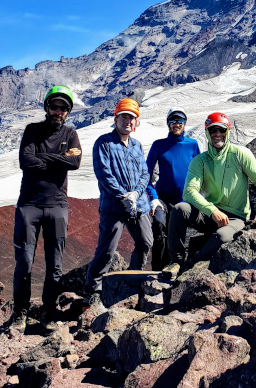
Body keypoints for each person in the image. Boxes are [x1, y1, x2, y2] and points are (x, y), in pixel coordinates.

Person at [163, 111, 256, 278]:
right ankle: (176, 261)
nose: (217, 134)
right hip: (210, 214)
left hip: (236, 217)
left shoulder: (240, 154)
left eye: (221, 130)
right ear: (207, 132)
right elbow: (188, 192)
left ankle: (191, 265)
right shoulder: (200, 161)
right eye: (213, 130)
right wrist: (212, 210)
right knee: (180, 209)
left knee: (222, 237)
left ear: (228, 132)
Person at [13, 85, 82, 331]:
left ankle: (48, 310)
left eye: (64, 108)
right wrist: (59, 158)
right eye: (55, 106)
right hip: (29, 205)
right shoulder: (32, 130)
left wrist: (43, 158)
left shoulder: (71, 134)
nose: (58, 111)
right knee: (24, 261)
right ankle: (19, 312)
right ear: (47, 107)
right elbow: (25, 161)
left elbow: (74, 163)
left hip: (57, 205)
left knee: (55, 264)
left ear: (68, 111)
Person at [84, 98, 153, 305]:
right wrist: (123, 196)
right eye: (124, 117)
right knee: (106, 250)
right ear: (116, 119)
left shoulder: (137, 145)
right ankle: (92, 291)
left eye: (132, 118)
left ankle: (133, 280)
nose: (128, 121)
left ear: (136, 122)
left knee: (145, 242)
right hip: (114, 207)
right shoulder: (104, 143)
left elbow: (144, 173)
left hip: (138, 205)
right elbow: (103, 174)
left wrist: (137, 194)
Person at [145, 108, 200, 271]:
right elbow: (145, 175)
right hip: (162, 198)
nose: (177, 124)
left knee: (179, 235)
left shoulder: (192, 145)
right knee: (160, 225)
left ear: (185, 123)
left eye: (180, 121)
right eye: (173, 120)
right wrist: (153, 197)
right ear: (168, 123)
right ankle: (157, 271)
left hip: (185, 200)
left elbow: (201, 171)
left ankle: (176, 269)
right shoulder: (158, 145)